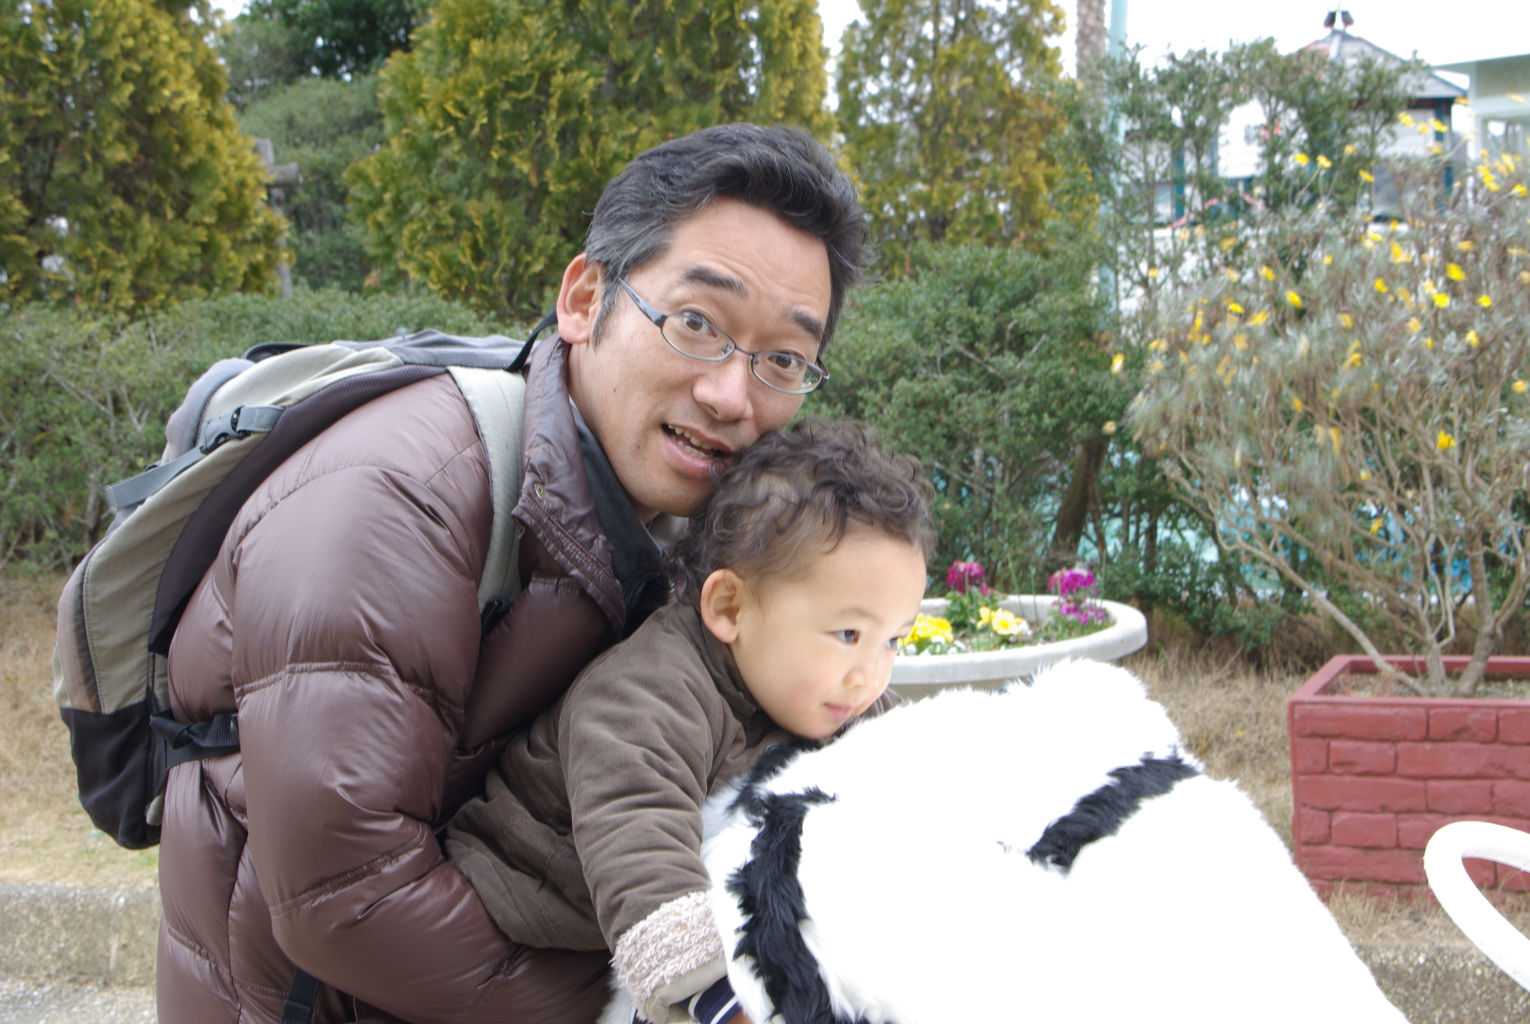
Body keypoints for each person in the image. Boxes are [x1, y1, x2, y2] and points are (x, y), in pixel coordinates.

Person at [154, 123, 869, 1023]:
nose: (733, 396)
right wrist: (675, 1004)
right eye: (696, 324)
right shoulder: (391, 501)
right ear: (584, 299)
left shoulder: (685, 515)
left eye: (784, 360)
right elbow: (347, 901)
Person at [446, 418, 935, 1024]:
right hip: (531, 929)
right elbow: (640, 834)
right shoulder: (644, 694)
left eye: (893, 640)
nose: (871, 674)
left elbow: (908, 756)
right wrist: (719, 997)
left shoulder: (824, 688)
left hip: (637, 918)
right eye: (849, 634)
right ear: (730, 607)